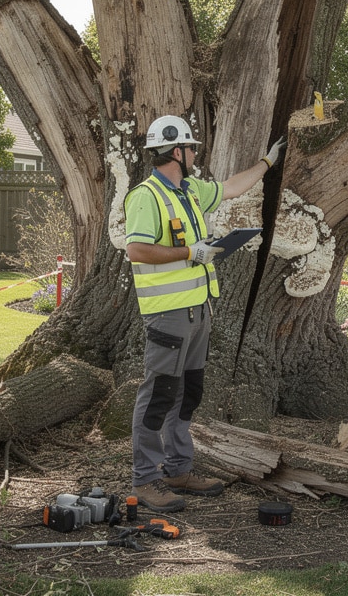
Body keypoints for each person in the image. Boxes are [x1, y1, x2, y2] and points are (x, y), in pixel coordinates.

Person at [123, 114, 285, 512]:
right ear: (177, 151)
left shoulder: (190, 189)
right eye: (192, 148)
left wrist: (267, 163)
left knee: (189, 392)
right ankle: (145, 479)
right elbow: (137, 250)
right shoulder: (147, 196)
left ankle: (179, 469)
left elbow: (231, 187)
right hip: (168, 314)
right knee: (159, 394)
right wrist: (189, 252)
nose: (196, 154)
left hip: (198, 310)